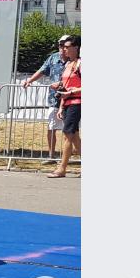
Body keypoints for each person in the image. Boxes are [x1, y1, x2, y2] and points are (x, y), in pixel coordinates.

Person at [22, 35, 70, 163]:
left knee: (69, 130)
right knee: (51, 127)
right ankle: (51, 156)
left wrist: (60, 84)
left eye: (65, 45)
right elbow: (42, 70)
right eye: (61, 45)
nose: (62, 48)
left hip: (69, 99)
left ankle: (66, 158)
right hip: (54, 99)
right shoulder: (53, 57)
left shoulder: (75, 61)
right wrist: (30, 80)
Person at [50, 35, 81, 178]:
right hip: (67, 103)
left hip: (76, 102)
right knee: (74, 136)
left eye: (67, 47)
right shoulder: (68, 64)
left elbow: (72, 88)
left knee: (68, 135)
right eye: (63, 47)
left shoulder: (80, 64)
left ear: (76, 48)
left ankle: (62, 168)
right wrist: (61, 106)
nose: (64, 49)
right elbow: (65, 86)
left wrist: (72, 92)